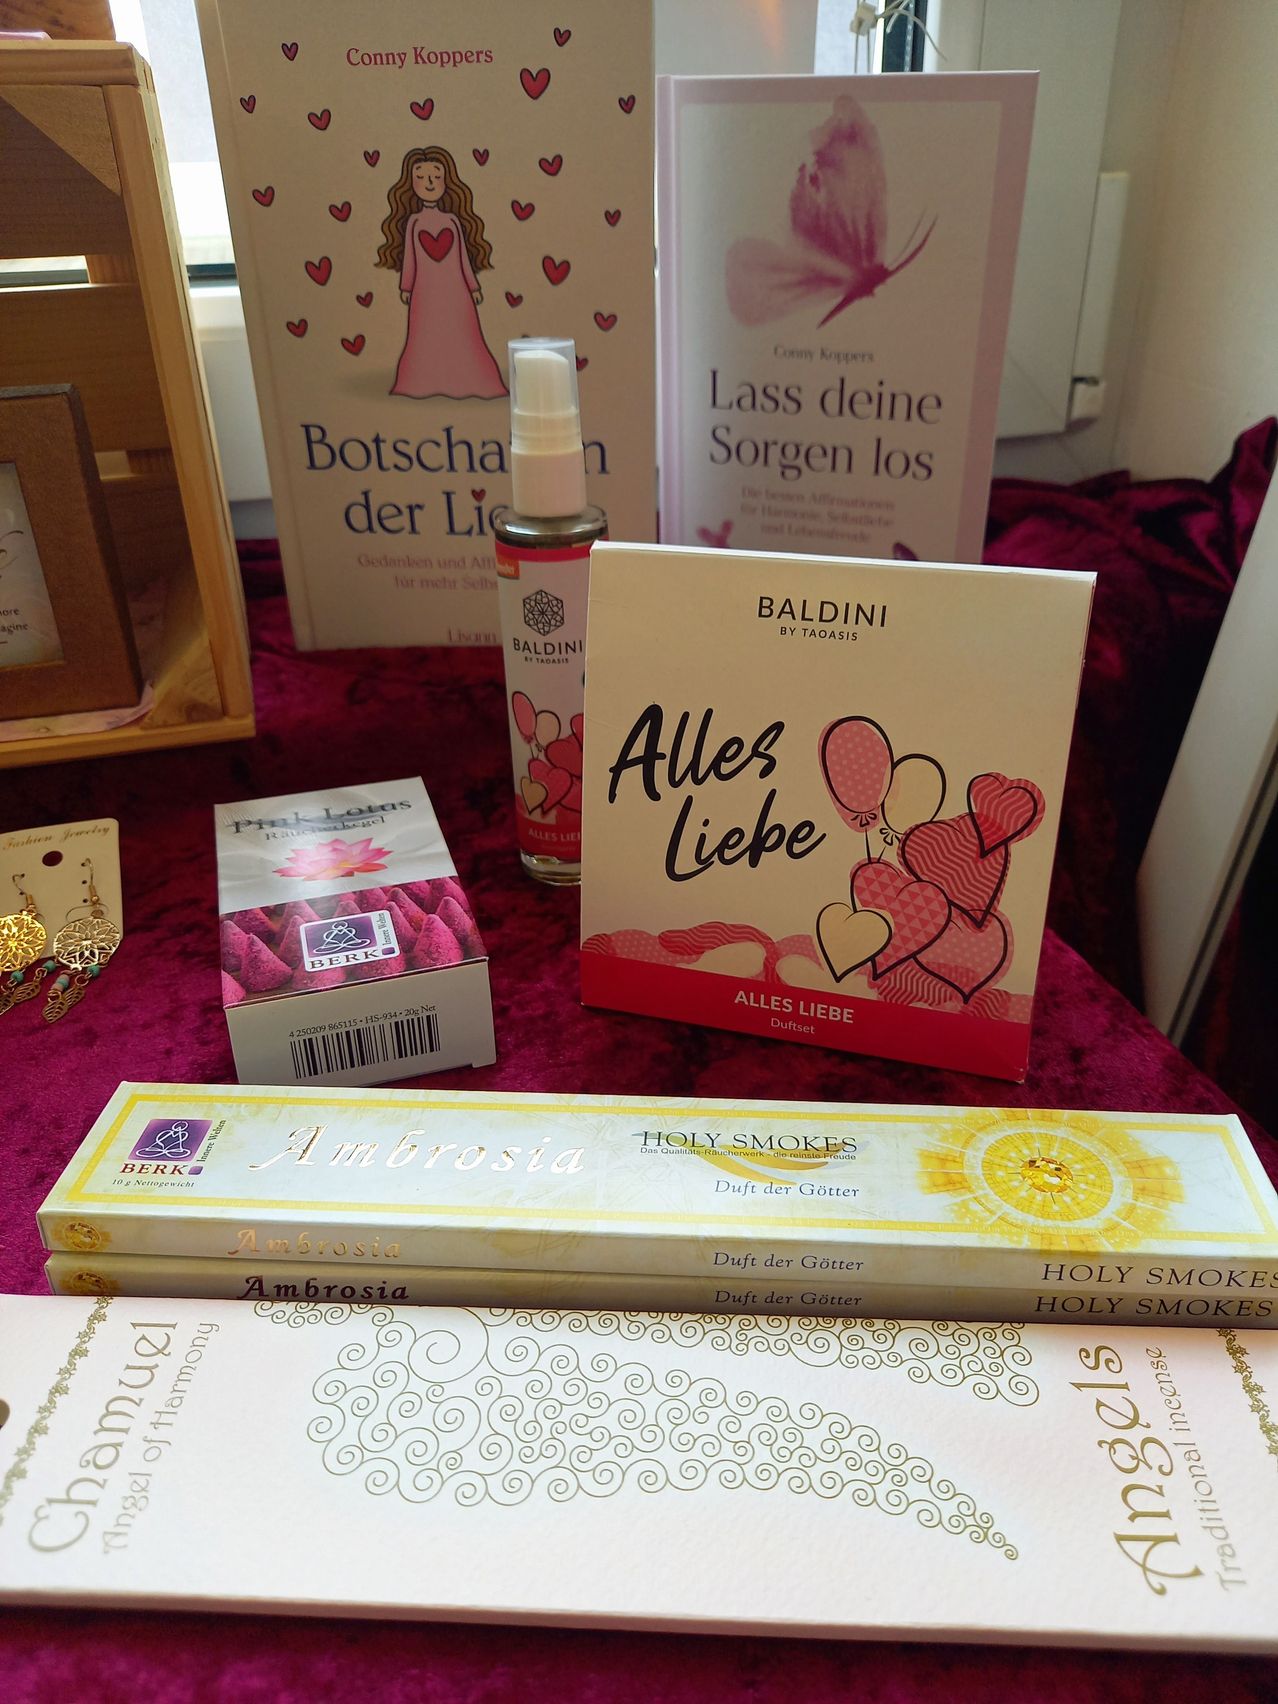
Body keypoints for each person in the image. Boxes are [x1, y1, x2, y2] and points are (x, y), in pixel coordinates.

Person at [376, 146, 507, 400]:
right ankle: (423, 379)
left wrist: (473, 286)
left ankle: (469, 378)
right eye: (421, 177)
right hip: (425, 290)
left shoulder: (452, 221)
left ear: (446, 182)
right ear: (410, 183)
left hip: (456, 289)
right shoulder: (414, 221)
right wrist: (406, 286)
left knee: (462, 330)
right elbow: (410, 258)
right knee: (426, 331)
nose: (429, 183)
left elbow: (462, 259)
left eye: (436, 177)